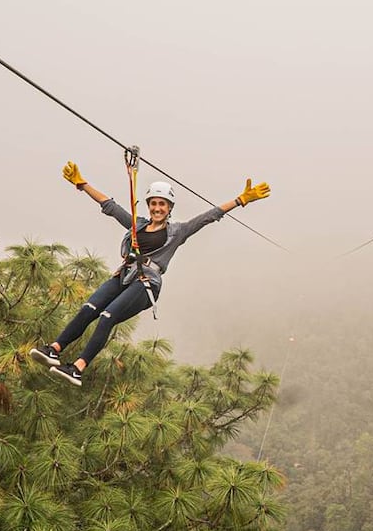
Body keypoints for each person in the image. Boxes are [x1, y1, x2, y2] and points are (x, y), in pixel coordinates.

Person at [30, 161, 271, 386]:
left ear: (169, 208)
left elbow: (209, 217)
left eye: (162, 204)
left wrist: (240, 200)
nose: (157, 208)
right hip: (124, 276)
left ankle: (78, 368)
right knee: (88, 309)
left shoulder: (178, 231)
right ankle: (55, 349)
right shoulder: (138, 225)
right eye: (153, 203)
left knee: (106, 317)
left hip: (146, 284)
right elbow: (110, 207)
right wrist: (81, 184)